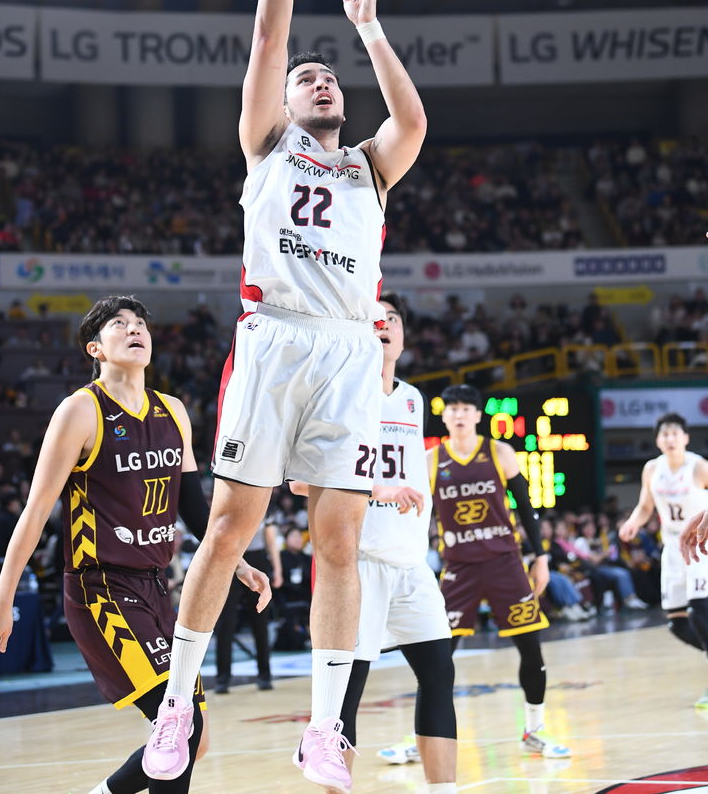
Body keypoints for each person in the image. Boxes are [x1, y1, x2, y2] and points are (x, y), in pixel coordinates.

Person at [143, 0, 427, 792]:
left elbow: (414, 120)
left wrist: (370, 32)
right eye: (306, 78)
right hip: (274, 337)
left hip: (347, 348)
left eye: (325, 77)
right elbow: (269, 38)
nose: (315, 80)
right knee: (228, 527)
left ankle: (323, 730)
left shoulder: (369, 170)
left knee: (337, 544)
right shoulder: (266, 146)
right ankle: (178, 701)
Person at [0, 295, 271, 794]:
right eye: (120, 325)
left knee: (192, 739)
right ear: (95, 348)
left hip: (159, 589)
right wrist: (2, 599)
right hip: (102, 590)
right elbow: (35, 513)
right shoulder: (79, 411)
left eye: (140, 323)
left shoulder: (174, 411)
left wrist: (238, 562)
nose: (135, 329)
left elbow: (193, 507)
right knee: (181, 726)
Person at [295, 292, 456, 791]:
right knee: (345, 697)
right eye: (374, 319)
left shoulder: (413, 398)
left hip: (410, 564)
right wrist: (377, 489)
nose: (383, 325)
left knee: (438, 679)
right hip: (356, 566)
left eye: (392, 320)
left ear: (402, 337)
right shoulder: (336, 393)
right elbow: (301, 481)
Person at [430, 383, 571, 759]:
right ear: (444, 416)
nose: (459, 414)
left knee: (530, 648)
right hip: (458, 567)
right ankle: (426, 736)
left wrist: (540, 556)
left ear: (478, 415)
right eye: (452, 408)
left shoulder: (499, 451)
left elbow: (526, 507)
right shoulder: (430, 459)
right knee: (438, 655)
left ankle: (535, 729)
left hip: (505, 562)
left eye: (466, 408)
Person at [620, 412, 708, 706]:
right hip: (672, 547)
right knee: (676, 623)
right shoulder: (652, 469)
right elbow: (645, 506)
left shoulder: (697, 467)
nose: (670, 439)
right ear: (658, 441)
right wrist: (634, 522)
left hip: (701, 545)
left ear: (685, 438)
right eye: (664, 434)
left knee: (700, 611)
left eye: (675, 433)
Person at [214, 514, 283, 692]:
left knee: (260, 620)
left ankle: (264, 675)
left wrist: (278, 569)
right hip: (232, 559)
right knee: (225, 622)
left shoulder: (267, 507)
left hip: (257, 558)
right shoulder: (231, 500)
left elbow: (271, 542)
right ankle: (222, 678)